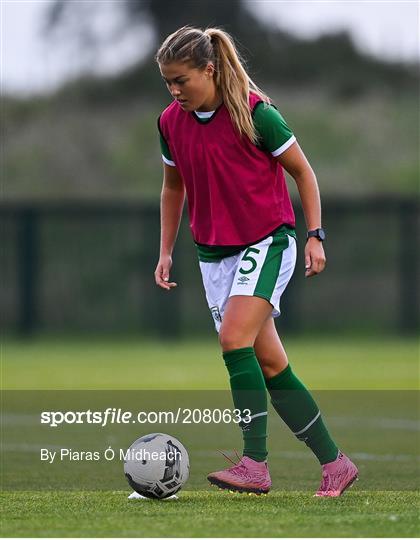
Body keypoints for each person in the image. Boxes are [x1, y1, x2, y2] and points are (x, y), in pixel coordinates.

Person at [154, 25, 358, 497]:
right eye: (168, 82)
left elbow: (304, 173)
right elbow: (172, 187)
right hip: (213, 254)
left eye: (182, 80)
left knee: (232, 340)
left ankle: (255, 464)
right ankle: (335, 463)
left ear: (209, 69)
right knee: (269, 363)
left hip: (267, 241)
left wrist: (315, 236)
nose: (174, 90)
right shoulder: (169, 122)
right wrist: (165, 251)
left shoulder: (256, 113)